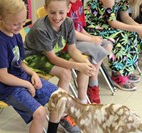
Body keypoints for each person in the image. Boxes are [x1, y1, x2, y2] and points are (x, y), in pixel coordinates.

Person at [0, 0, 61, 133]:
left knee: (59, 97)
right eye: (15, 24)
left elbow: (19, 62)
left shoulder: (16, 34)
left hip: (22, 79)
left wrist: (33, 74)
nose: (20, 27)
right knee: (40, 113)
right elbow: (3, 76)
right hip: (6, 88)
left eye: (23, 22)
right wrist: (28, 84)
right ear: (0, 18)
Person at [24, 0, 96, 132]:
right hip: (32, 57)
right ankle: (61, 115)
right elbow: (52, 58)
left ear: (68, 8)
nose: (57, 17)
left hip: (51, 54)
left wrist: (85, 64)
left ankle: (82, 105)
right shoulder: (42, 28)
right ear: (45, 8)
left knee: (85, 62)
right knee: (65, 73)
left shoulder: (68, 22)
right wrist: (78, 66)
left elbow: (73, 50)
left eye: (61, 12)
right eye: (52, 12)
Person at [84, 0, 142, 90]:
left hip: (105, 26)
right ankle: (117, 74)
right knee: (121, 36)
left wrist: (139, 27)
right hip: (93, 27)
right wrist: (136, 28)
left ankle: (125, 70)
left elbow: (125, 17)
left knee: (132, 34)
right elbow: (112, 22)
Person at [67, 0, 113, 103]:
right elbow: (71, 32)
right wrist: (91, 40)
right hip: (70, 42)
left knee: (107, 45)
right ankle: (93, 83)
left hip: (81, 39)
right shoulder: (65, 5)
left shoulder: (78, 2)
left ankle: (90, 83)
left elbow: (80, 28)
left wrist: (91, 37)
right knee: (97, 52)